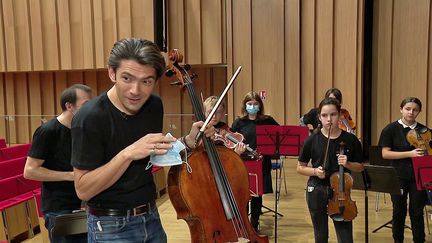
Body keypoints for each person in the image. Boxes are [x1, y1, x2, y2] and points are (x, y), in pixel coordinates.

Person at [71, 38, 214, 243]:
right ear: (112, 73)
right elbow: (83, 189)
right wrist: (128, 154)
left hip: (151, 217)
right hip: (110, 225)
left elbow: (153, 152)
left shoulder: (154, 105)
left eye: (146, 81)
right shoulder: (89, 117)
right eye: (127, 78)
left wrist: (189, 140)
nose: (136, 91)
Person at [24, 84, 92, 243]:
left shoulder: (83, 129)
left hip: (84, 204)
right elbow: (30, 171)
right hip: (59, 208)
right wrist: (71, 176)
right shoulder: (48, 131)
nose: (90, 109)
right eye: (85, 105)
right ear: (69, 106)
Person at [296, 97, 364, 243]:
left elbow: (360, 167)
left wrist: (348, 164)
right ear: (319, 117)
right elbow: (300, 167)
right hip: (317, 189)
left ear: (340, 115)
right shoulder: (312, 140)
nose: (329, 119)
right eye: (325, 115)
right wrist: (315, 172)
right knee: (320, 236)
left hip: (342, 192)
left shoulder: (351, 140)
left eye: (333, 114)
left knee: (346, 238)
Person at [378, 96, 427, 243]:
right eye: (407, 109)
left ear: (419, 111)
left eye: (415, 110)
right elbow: (385, 153)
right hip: (397, 176)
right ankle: (398, 240)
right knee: (398, 211)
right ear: (401, 109)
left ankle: (419, 240)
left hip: (418, 176)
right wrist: (410, 154)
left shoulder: (424, 130)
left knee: (417, 211)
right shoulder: (390, 129)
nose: (411, 112)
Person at [231, 91, 278, 232]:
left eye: (255, 104)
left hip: (261, 163)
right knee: (244, 194)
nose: (253, 106)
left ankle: (255, 222)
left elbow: (278, 134)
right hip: (243, 163)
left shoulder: (267, 120)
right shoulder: (239, 122)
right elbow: (230, 140)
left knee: (257, 195)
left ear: (260, 105)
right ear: (245, 105)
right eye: (250, 104)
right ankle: (244, 222)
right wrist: (236, 147)